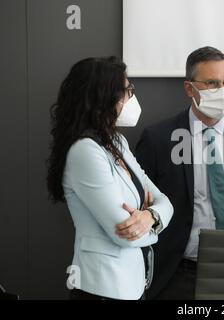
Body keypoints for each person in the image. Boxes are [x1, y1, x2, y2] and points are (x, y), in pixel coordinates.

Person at [135, 46, 224, 299]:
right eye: (212, 83)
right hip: (177, 272)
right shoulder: (158, 140)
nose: (223, 90)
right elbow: (142, 202)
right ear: (190, 89)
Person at [47, 56, 173, 300]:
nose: (131, 98)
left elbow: (164, 200)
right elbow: (123, 233)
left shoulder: (117, 142)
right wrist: (153, 222)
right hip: (101, 288)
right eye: (127, 90)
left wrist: (150, 216)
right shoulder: (84, 150)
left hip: (133, 284)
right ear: (103, 97)